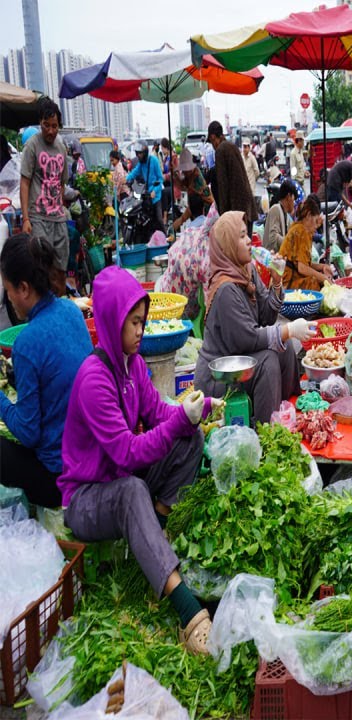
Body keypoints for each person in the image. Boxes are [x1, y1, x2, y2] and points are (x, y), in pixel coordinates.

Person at [58, 265, 218, 655]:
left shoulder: (133, 366)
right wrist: (179, 419)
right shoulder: (94, 379)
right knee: (132, 491)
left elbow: (161, 414)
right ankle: (188, 613)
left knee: (189, 439)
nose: (140, 331)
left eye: (143, 322)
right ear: (113, 321)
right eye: (133, 323)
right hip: (86, 499)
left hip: (122, 479)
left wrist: (199, 407)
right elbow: (127, 451)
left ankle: (153, 540)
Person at [0, 234, 92, 508]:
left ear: (24, 288)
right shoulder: (71, 310)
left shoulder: (27, 343)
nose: (10, 299)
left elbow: (29, 433)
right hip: (92, 457)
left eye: (9, 290)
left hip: (60, 479)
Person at [195, 212, 310, 424]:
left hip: (240, 361)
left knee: (283, 349)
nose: (249, 241)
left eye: (247, 234)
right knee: (267, 362)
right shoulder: (225, 289)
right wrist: (288, 330)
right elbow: (247, 339)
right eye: (241, 237)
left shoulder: (246, 270)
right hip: (218, 378)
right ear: (228, 246)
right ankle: (266, 430)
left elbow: (266, 316)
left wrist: (276, 281)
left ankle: (287, 411)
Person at [19, 98, 71, 296]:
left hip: (58, 216)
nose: (50, 130)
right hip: (38, 217)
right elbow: (24, 182)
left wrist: (61, 207)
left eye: (55, 126)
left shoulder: (61, 147)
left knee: (61, 268)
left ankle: (60, 306)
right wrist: (26, 219)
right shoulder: (32, 146)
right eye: (46, 125)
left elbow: (62, 182)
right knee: (43, 269)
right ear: (40, 123)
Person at [209, 121, 256, 233]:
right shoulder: (231, 146)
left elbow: (223, 186)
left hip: (236, 211)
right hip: (247, 205)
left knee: (237, 248)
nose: (212, 145)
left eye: (211, 141)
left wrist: (224, 218)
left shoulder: (220, 151)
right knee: (246, 246)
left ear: (213, 137)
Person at [280, 195, 332, 290]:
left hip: (289, 277)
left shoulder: (299, 228)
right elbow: (302, 268)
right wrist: (323, 278)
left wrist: (322, 267)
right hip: (288, 282)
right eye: (316, 221)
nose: (316, 226)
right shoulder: (301, 231)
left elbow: (303, 264)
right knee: (316, 283)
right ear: (308, 215)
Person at [126, 141, 165, 233]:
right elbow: (134, 173)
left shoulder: (154, 161)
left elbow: (160, 179)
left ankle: (165, 237)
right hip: (146, 195)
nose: (138, 155)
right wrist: (126, 179)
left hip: (155, 196)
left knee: (159, 219)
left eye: (140, 153)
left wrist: (155, 191)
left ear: (145, 152)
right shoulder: (141, 164)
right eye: (137, 153)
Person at [172, 150, 214, 232]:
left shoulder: (196, 178)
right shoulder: (190, 176)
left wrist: (180, 220)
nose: (184, 172)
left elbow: (192, 206)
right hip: (197, 214)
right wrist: (174, 173)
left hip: (205, 212)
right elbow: (182, 184)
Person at [263, 179, 297, 253]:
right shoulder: (276, 209)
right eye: (294, 200)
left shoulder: (287, 217)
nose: (294, 204)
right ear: (288, 197)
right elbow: (273, 237)